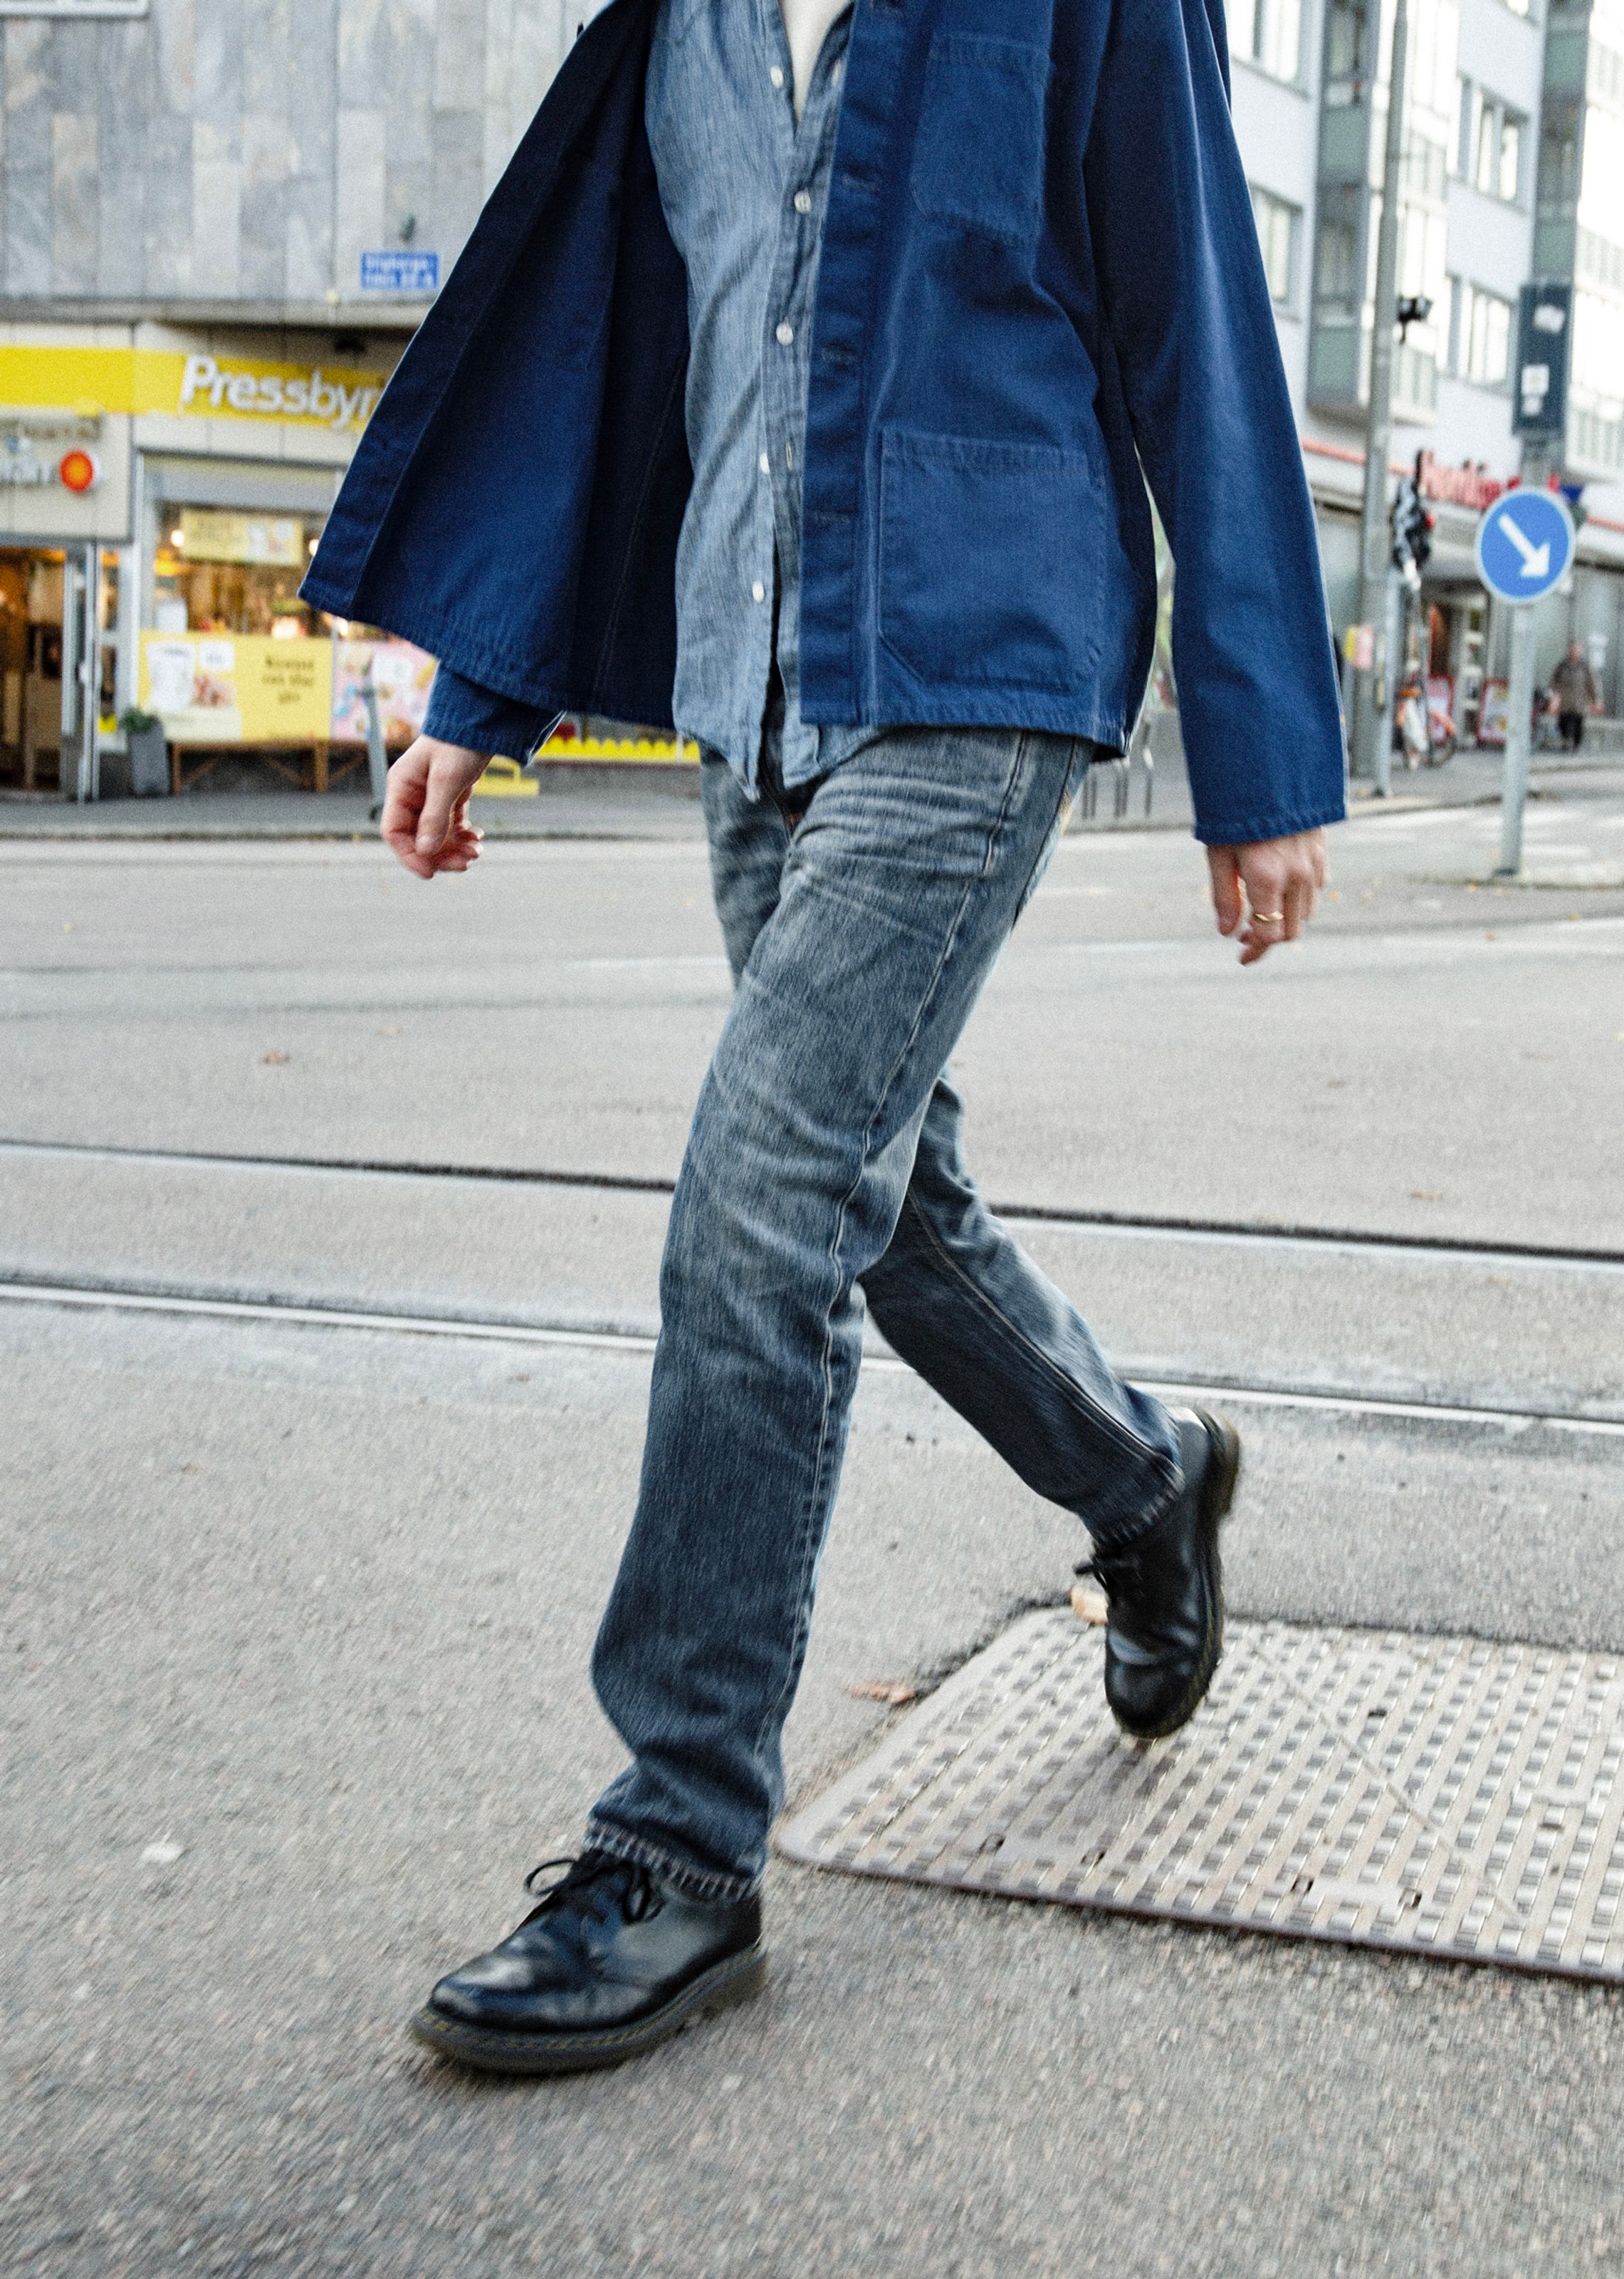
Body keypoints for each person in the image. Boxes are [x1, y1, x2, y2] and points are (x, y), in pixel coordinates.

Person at [301, 0, 1344, 2076]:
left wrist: (1261, 744)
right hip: (750, 684)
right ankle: (1143, 1475)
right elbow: (619, 371)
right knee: (888, 1200)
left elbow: (1195, 327)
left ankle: (675, 1837)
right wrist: (477, 704)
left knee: (762, 1203)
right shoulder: (680, 28)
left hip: (979, 659)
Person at [1549, 639, 1601, 751]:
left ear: (1581, 651)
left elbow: (1592, 684)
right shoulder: (1562, 665)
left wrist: (1596, 701)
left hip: (1580, 701)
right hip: (1565, 701)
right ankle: (1566, 742)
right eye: (1572, 649)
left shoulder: (1585, 667)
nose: (1574, 651)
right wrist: (1554, 696)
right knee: (1563, 722)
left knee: (1578, 724)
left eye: (1577, 649)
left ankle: (1576, 745)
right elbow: (1554, 681)